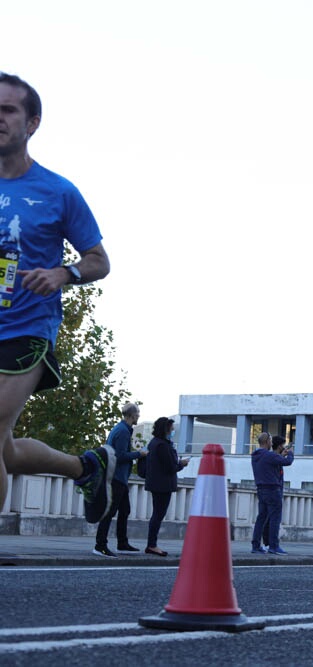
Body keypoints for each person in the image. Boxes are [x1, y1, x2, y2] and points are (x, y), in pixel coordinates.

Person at [0, 72, 113, 524]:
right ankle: (84, 467)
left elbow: (98, 260)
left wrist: (61, 273)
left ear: (32, 123)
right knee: (3, 447)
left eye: (7, 110)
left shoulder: (58, 191)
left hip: (26, 327)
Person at [93, 403, 146, 557]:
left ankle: (122, 543)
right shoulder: (123, 432)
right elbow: (120, 456)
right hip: (116, 477)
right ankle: (100, 545)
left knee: (124, 510)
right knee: (110, 512)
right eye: (138, 413)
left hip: (118, 477)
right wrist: (139, 454)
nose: (139, 416)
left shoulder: (121, 429)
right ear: (132, 415)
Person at [143, 417, 190, 556]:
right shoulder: (163, 445)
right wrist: (182, 464)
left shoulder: (154, 443)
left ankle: (151, 544)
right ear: (166, 429)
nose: (173, 430)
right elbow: (170, 467)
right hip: (163, 485)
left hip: (155, 483)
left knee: (156, 514)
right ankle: (152, 545)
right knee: (158, 515)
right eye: (171, 428)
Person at [250, 432, 294, 555]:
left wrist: (280, 455)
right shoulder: (268, 455)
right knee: (275, 518)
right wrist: (290, 453)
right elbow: (288, 462)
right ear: (267, 441)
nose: (271, 443)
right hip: (273, 490)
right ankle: (274, 546)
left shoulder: (256, 455)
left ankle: (256, 545)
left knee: (261, 518)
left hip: (261, 489)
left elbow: (272, 463)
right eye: (270, 441)